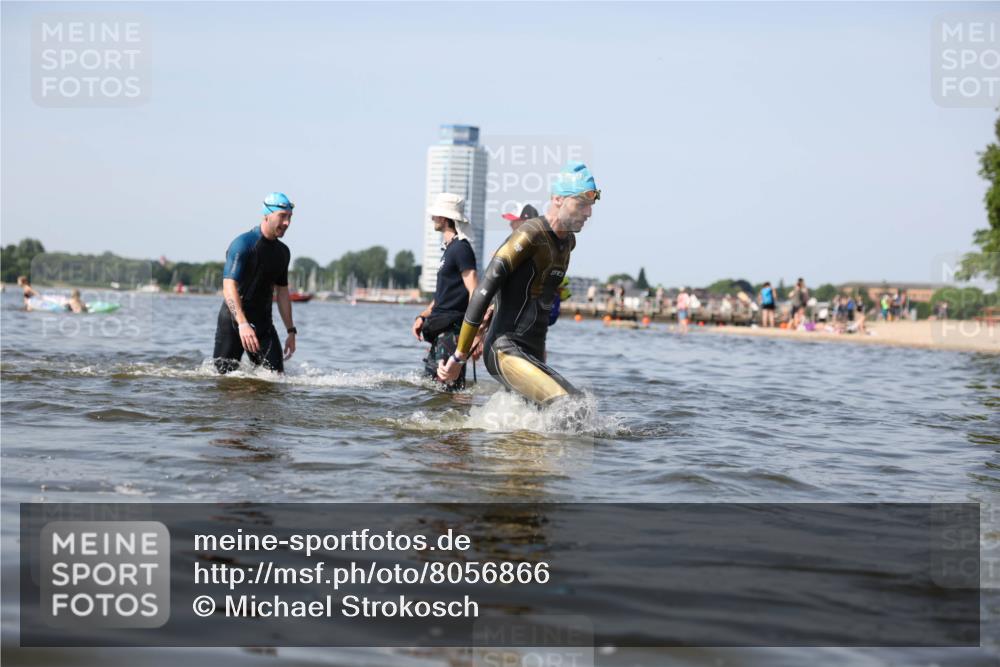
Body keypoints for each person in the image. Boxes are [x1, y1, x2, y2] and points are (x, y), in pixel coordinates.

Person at [436, 161, 599, 406]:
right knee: (569, 406)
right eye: (582, 204)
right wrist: (460, 356)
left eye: (590, 206)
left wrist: (540, 358)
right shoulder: (529, 235)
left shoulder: (568, 243)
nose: (588, 213)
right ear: (557, 199)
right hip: (504, 349)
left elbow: (541, 304)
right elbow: (483, 291)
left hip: (531, 353)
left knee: (575, 406)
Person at [213, 192, 297, 374]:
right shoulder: (243, 244)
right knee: (224, 379)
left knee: (275, 379)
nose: (287, 223)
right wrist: (242, 324)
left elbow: (282, 292)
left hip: (263, 325)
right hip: (234, 324)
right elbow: (229, 287)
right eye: (282, 216)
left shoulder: (283, 252)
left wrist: (291, 331)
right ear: (267, 214)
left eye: (289, 217)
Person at [413, 193, 478, 390]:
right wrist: (422, 316)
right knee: (430, 388)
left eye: (435, 215)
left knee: (448, 388)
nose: (432, 218)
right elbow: (442, 297)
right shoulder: (449, 250)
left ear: (443, 218)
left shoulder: (461, 248)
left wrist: (475, 335)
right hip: (439, 330)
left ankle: (460, 418)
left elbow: (475, 291)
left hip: (452, 332)